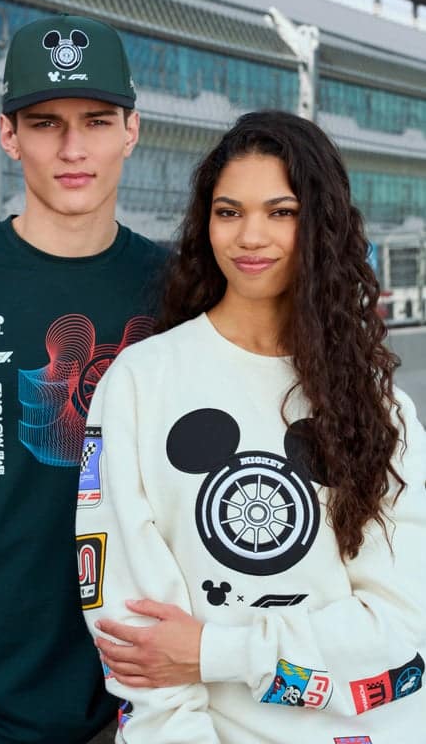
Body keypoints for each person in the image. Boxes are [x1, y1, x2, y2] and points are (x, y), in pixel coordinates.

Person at [76, 110, 426, 744]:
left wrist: (214, 651)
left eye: (281, 211)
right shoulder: (142, 381)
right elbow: (134, 635)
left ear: (321, 226)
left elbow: (403, 627)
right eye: (229, 211)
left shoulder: (380, 406)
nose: (250, 236)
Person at [0, 14, 166, 744]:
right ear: (9, 135)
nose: (73, 148)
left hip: (142, 703)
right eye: (45, 123)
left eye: (97, 121)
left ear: (130, 130)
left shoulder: (183, 288)